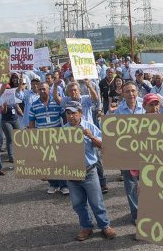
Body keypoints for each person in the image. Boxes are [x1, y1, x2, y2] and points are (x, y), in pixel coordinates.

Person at [63, 101, 116, 241]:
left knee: (96, 201)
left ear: (80, 113)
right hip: (72, 173)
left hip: (89, 171)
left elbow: (104, 146)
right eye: (68, 113)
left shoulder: (89, 127)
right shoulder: (62, 131)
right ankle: (86, 227)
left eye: (74, 113)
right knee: (78, 203)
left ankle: (105, 226)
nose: (71, 116)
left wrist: (91, 136)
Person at [113, 82, 145, 224]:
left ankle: (151, 211)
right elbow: (112, 134)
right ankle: (137, 214)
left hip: (147, 153)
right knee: (131, 186)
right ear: (122, 93)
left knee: (149, 184)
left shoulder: (146, 106)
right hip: (128, 155)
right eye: (127, 92)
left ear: (137, 92)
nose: (131, 94)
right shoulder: (118, 112)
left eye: (133, 91)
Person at [29, 82, 69, 195]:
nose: (42, 91)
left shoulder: (56, 103)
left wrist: (66, 132)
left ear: (49, 90)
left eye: (44, 89)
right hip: (43, 138)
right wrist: (33, 137)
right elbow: (31, 122)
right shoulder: (34, 105)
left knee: (59, 161)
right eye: (40, 89)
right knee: (48, 162)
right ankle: (53, 184)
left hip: (57, 137)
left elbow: (64, 118)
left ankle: (64, 185)